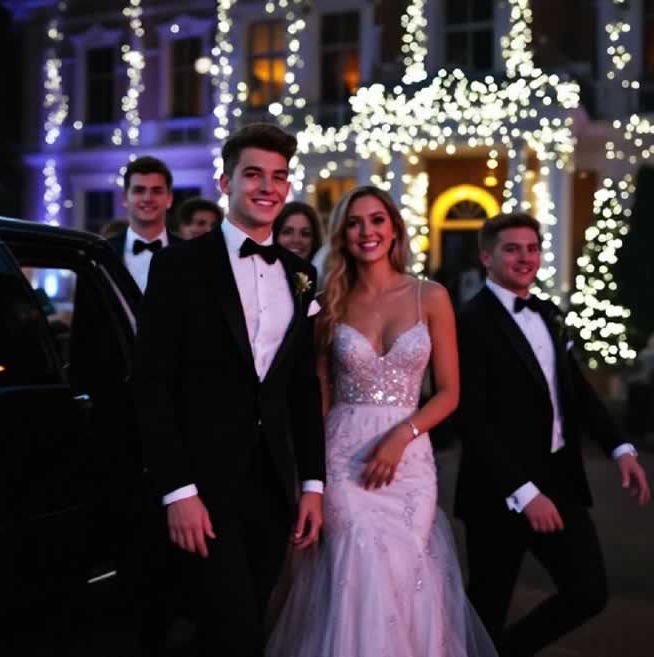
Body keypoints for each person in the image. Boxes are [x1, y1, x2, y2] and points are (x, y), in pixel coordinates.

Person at [267, 185, 497, 657]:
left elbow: (450, 393)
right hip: (341, 457)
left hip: (410, 461)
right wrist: (308, 476)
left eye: (376, 220)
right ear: (343, 234)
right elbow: (320, 394)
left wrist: (401, 435)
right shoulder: (329, 300)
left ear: (394, 228)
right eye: (354, 223)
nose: (366, 231)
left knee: (408, 575)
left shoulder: (429, 296)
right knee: (358, 557)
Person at [133, 123, 326, 657]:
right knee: (232, 630)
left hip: (271, 488)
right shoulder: (178, 266)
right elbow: (151, 385)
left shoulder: (300, 274)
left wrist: (312, 483)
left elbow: (302, 390)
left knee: (248, 624)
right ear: (225, 181)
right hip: (203, 489)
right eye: (254, 175)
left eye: (279, 177)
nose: (268, 187)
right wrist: (178, 490)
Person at [455, 212, 650, 657]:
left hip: (560, 480)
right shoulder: (469, 321)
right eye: (512, 248)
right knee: (487, 607)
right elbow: (473, 419)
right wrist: (524, 492)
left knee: (588, 591)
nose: (525, 258)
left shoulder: (547, 312)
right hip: (498, 492)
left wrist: (620, 448)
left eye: (532, 248)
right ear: (487, 256)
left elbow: (576, 391)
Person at [107, 156, 182, 292]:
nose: (148, 198)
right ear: (125, 198)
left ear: (169, 198)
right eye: (139, 190)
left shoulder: (190, 255)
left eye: (156, 191)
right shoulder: (105, 253)